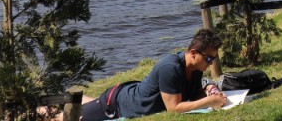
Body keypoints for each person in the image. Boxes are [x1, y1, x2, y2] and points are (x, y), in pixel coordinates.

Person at [78, 29, 227, 120]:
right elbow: (174, 108)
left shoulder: (195, 69)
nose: (211, 63)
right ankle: (60, 105)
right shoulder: (170, 68)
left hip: (130, 93)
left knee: (89, 104)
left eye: (213, 59)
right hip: (116, 105)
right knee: (66, 117)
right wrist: (208, 101)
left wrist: (209, 90)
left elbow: (191, 96)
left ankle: (77, 99)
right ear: (194, 53)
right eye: (209, 58)